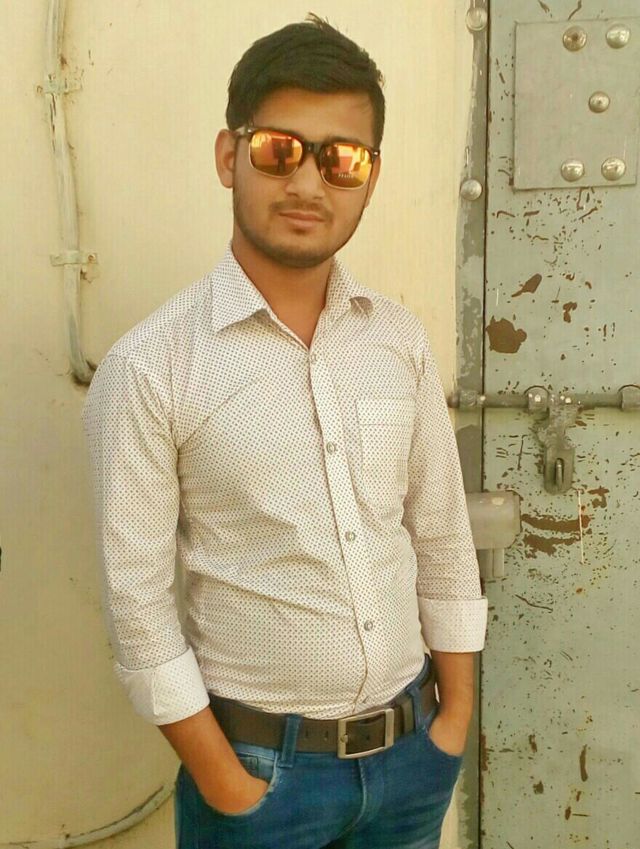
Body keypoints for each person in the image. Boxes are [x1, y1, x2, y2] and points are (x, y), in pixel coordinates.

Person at [82, 14, 488, 849]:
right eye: (279, 150)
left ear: (370, 178)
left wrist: (453, 725)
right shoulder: (152, 366)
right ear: (228, 156)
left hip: (413, 759)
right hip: (262, 782)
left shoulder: (397, 341)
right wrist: (226, 783)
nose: (309, 182)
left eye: (343, 159)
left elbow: (442, 534)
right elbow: (138, 605)